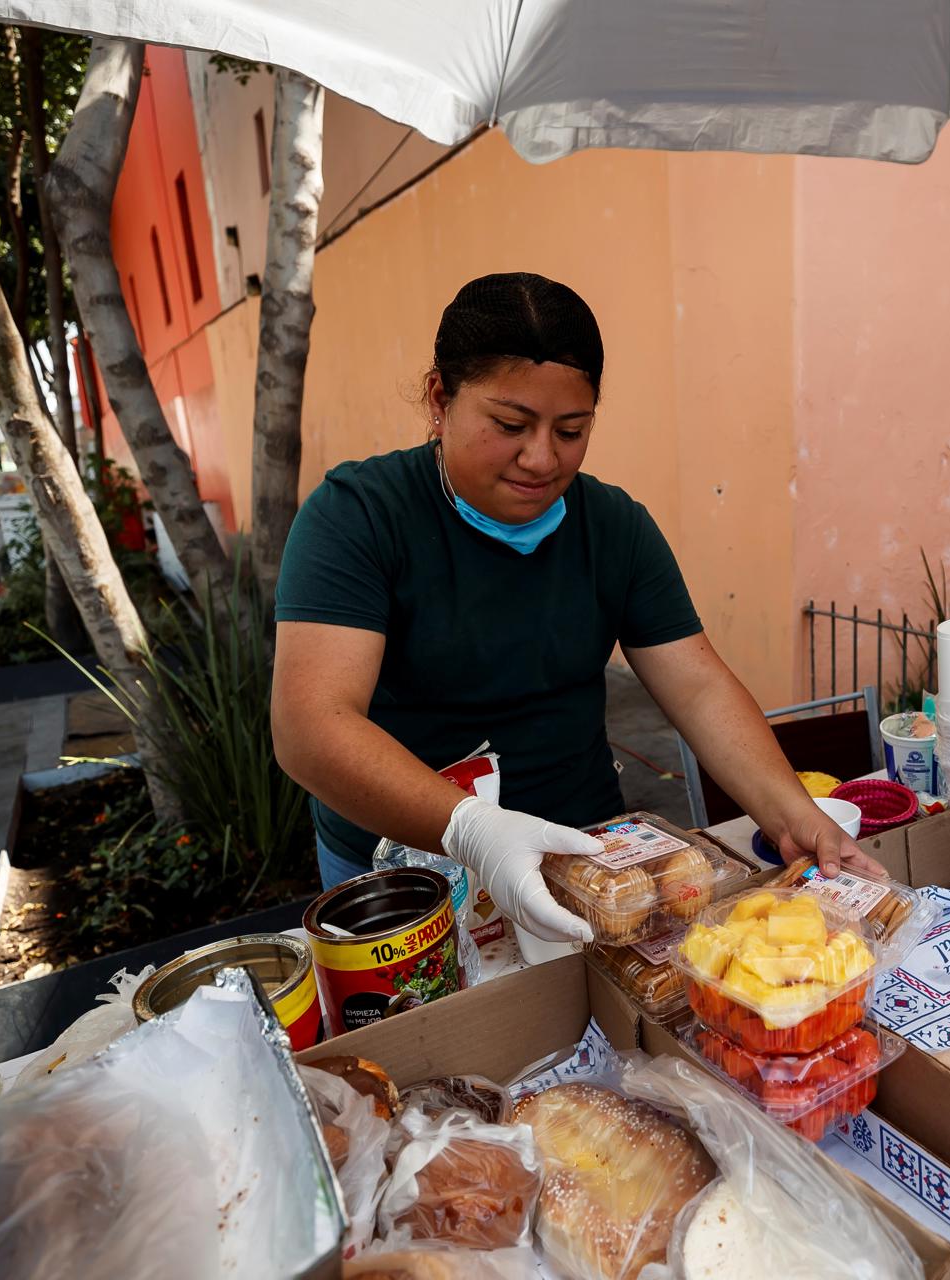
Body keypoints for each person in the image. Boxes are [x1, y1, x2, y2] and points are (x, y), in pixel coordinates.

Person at [272, 273, 882, 944]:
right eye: (510, 425)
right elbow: (312, 725)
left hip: (591, 863)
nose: (540, 458)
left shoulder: (614, 528)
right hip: (409, 875)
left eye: (571, 430)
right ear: (440, 400)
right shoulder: (358, 517)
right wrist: (472, 831)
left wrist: (795, 815)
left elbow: (699, 686)